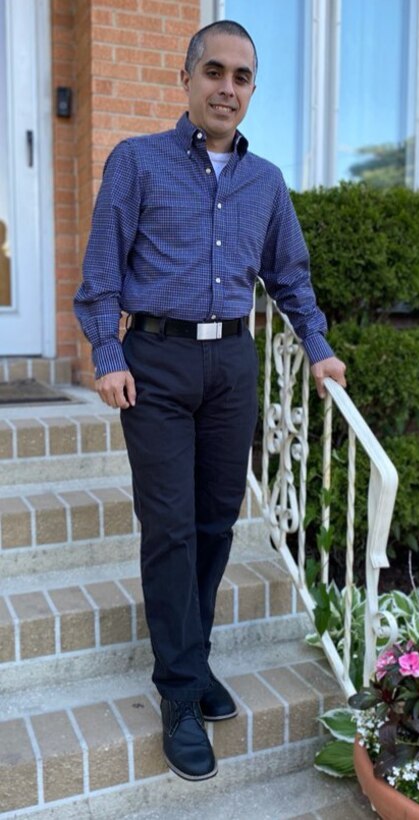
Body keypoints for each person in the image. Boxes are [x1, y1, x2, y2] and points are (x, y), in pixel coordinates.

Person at [74, 20, 346, 783]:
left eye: (242, 77)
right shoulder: (137, 161)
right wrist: (107, 354)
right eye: (215, 72)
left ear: (252, 89)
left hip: (231, 360)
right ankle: (178, 692)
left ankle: (191, 659)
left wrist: (317, 347)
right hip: (155, 361)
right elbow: (101, 271)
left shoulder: (266, 182)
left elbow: (288, 276)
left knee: (214, 522)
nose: (228, 88)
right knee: (169, 529)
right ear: (188, 78)